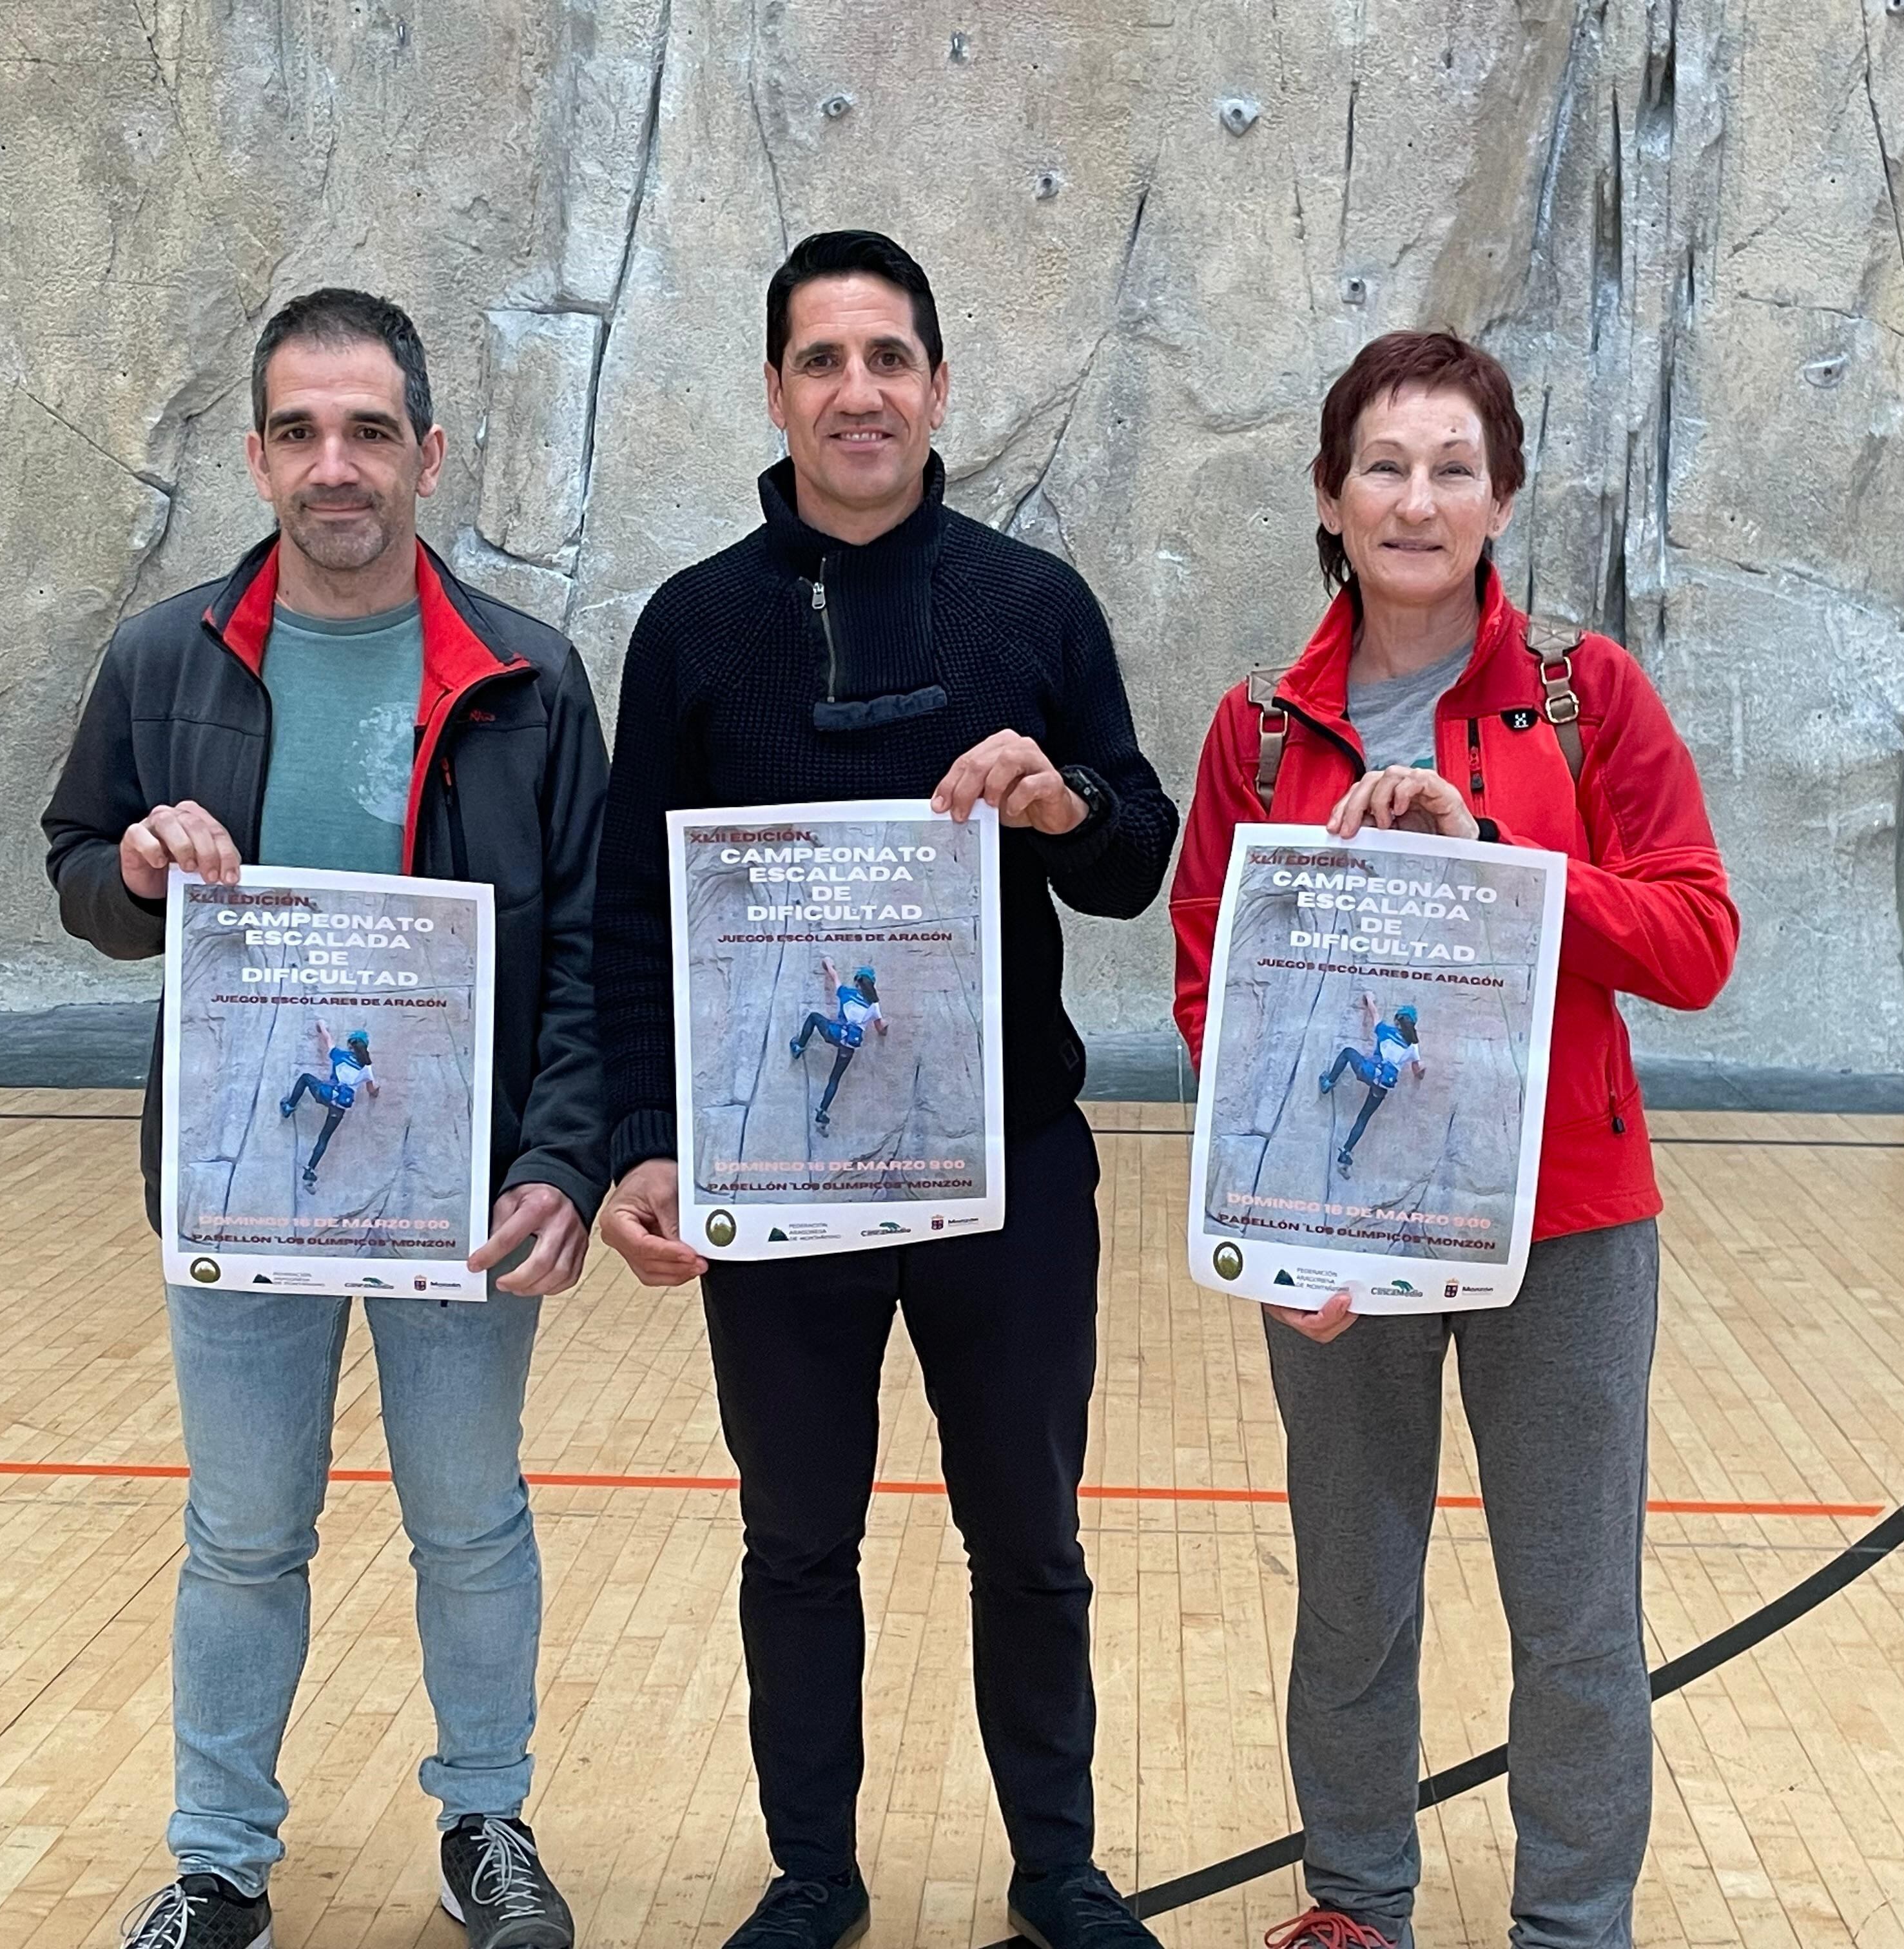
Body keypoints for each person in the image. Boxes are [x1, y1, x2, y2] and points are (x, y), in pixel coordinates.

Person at [592, 231, 1179, 1949]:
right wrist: (641, 1137)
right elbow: (637, 912)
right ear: (775, 392)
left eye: (891, 358)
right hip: (780, 1179)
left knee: (1031, 1538)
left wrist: (1066, 802)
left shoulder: (1035, 604)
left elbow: (1135, 857)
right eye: (824, 360)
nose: (860, 390)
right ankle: (813, 1874)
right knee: (795, 1543)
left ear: (937, 389)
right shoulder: (693, 627)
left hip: (1005, 1167)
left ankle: (1058, 1867)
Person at [43, 287, 610, 1949]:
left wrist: (561, 1161)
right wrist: (133, 871)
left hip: (459, 1190)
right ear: (257, 454)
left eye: (368, 430)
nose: (334, 464)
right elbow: (80, 863)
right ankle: (218, 1858)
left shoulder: (533, 675)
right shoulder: (165, 657)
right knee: (240, 1529)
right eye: (300, 431)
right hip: (241, 1183)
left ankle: (486, 1823)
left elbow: (584, 951)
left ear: (430, 453)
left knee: (468, 1517)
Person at [1169, 330, 1739, 1949]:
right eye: (1384, 467)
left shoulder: (1584, 697)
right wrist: (1281, 1213)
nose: (1416, 500)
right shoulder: (1259, 733)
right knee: (1352, 1594)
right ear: (1332, 499)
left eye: (1452, 470)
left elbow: (1698, 940)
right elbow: (1214, 989)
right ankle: (1357, 1904)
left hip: (1564, 1228)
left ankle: (1573, 1924)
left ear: (1501, 500)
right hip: (1342, 1230)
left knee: (1573, 1617)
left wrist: (1500, 860)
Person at [1317, 993, 1421, 1174]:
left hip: (1368, 1071)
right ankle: (1346, 1153)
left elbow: (1374, 1014)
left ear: (1397, 1019)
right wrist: (1421, 1073)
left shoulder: (1386, 1031)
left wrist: (1369, 998)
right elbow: (1417, 1070)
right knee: (1364, 1117)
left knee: (1348, 1052)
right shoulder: (1412, 1046)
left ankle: (1328, 1082)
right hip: (1382, 1085)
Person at [281, 1018, 381, 1190]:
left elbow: (328, 1040)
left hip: (325, 1094)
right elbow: (372, 1090)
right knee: (324, 1138)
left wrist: (321, 1026)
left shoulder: (340, 1056)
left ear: (350, 1044)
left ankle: (289, 1106)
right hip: (339, 1108)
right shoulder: (367, 1068)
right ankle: (310, 1171)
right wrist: (377, 1092)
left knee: (306, 1078)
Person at [788, 957, 885, 1130]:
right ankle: (822, 1113)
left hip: (833, 1033)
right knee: (834, 1078)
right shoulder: (874, 1005)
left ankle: (798, 1046)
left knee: (814, 1018)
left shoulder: (846, 992)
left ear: (857, 981)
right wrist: (885, 1030)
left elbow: (834, 976)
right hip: (848, 1046)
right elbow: (880, 1027)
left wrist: (828, 963)